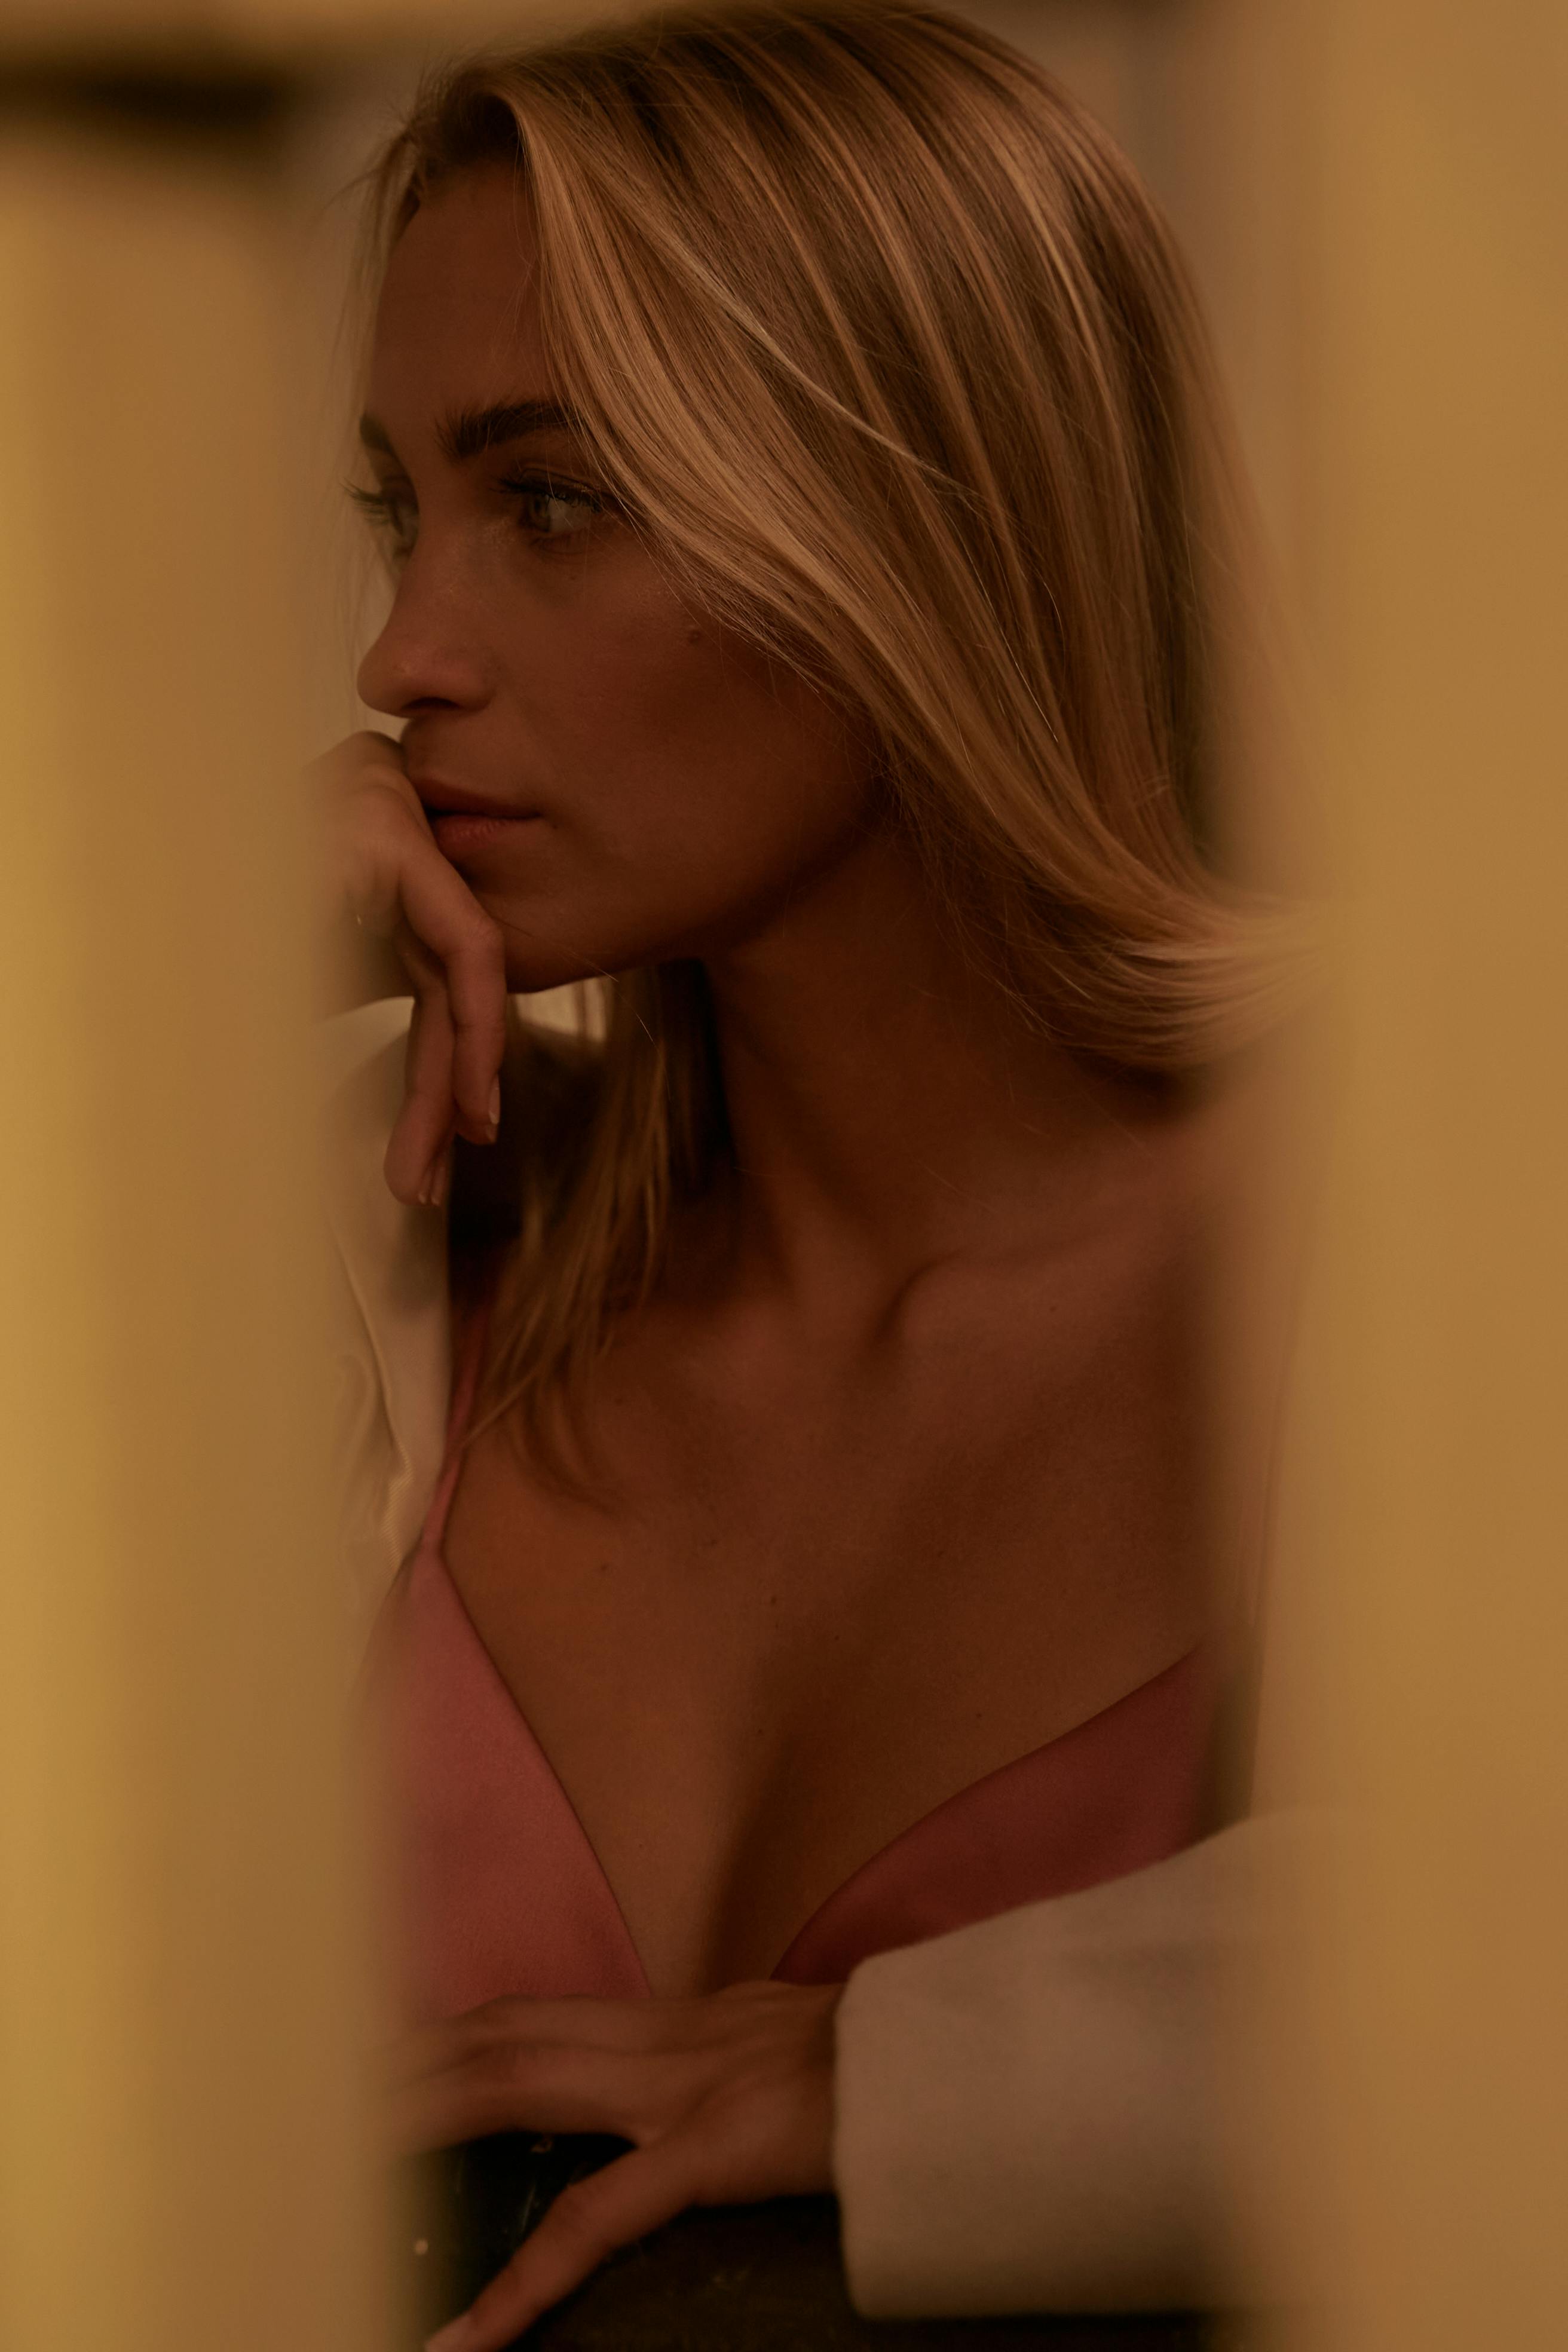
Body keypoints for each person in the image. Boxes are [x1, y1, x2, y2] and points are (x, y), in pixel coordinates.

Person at [316, 6, 1318, 2344]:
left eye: (546, 499)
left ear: (917, 517)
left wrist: (943, 2085)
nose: (397, 654)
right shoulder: (385, 1232)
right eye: (398, 508)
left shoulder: (1449, 1235)